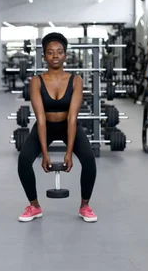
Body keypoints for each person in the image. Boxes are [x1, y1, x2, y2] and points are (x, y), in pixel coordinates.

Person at [17, 32, 98, 223]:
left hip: (68, 125)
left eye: (59, 52)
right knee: (24, 161)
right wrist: (45, 154)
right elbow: (41, 118)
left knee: (88, 159)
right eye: (50, 52)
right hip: (45, 126)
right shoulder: (36, 81)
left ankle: (85, 206)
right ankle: (34, 206)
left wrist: (68, 153)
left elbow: (72, 118)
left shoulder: (75, 80)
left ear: (65, 55)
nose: (55, 56)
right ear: (44, 56)